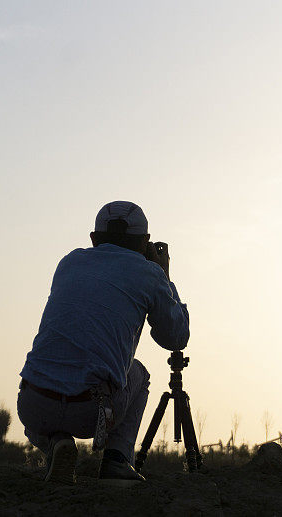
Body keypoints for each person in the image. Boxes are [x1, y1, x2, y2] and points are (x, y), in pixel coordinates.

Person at [17, 201, 190, 486]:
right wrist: (165, 276)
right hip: (91, 411)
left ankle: (56, 444)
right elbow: (175, 338)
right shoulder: (149, 274)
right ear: (145, 242)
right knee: (139, 374)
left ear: (93, 239)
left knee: (44, 384)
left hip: (35, 403)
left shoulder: (69, 262)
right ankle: (117, 462)